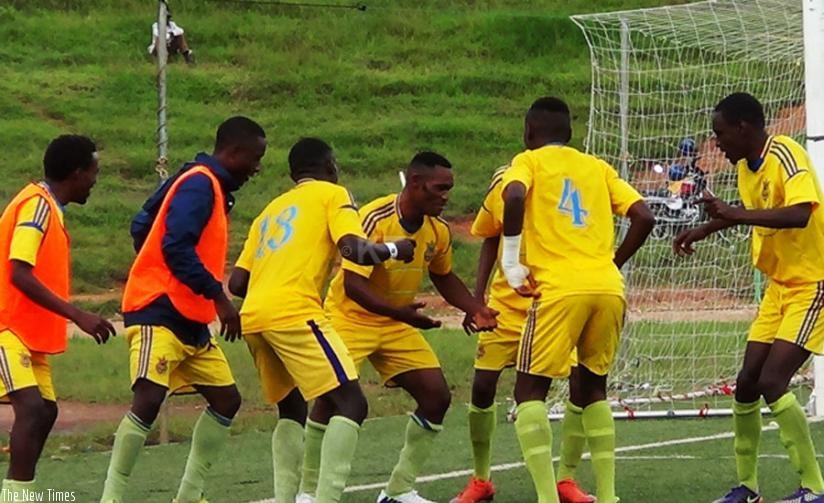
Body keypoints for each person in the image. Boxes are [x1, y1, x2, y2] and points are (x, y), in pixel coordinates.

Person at [296, 151, 499, 503]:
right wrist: (403, 314)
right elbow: (353, 287)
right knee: (332, 400)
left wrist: (474, 308)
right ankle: (309, 493)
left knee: (436, 396)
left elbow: (444, 275)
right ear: (416, 183)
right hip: (349, 318)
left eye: (449, 188)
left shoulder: (438, 231)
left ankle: (398, 490)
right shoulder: (373, 218)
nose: (446, 196)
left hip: (395, 320)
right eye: (440, 188)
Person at [227, 137, 416, 503]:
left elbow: (237, 282)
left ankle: (287, 498)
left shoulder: (270, 209)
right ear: (330, 166)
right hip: (294, 312)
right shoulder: (333, 194)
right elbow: (352, 248)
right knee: (352, 404)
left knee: (293, 407)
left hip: (253, 317)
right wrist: (394, 249)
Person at [100, 116, 267, 503]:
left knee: (227, 399)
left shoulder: (201, 181)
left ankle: (190, 495)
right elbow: (175, 245)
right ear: (234, 151)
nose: (257, 168)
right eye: (255, 158)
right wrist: (219, 297)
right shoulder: (199, 184)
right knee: (148, 399)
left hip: (189, 317)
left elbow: (143, 223)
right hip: (158, 311)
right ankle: (112, 496)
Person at [500, 97, 655, 503]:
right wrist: (613, 263)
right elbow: (644, 216)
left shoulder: (528, 162)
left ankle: (548, 498)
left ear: (528, 131)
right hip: (607, 287)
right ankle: (607, 496)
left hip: (559, 289)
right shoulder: (597, 167)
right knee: (592, 389)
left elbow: (513, 197)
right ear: (570, 134)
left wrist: (511, 263)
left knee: (529, 392)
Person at [674, 92, 824, 503]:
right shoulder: (745, 166)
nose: (716, 142)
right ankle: (748, 487)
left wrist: (734, 214)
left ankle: (815, 488)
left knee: (773, 380)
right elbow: (751, 208)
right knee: (746, 384)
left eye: (720, 133)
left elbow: (799, 214)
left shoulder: (786, 154)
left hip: (814, 284)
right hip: (779, 288)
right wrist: (707, 228)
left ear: (744, 128)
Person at [450, 164, 595, 503]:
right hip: (505, 308)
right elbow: (490, 238)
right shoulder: (506, 179)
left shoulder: (564, 182)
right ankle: (481, 479)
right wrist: (476, 300)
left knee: (578, 384)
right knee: (483, 387)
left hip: (552, 306)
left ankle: (566, 480)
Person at [0, 135, 116, 501]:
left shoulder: (48, 207)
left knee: (45, 411)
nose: (96, 180)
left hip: (27, 333)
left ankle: (18, 491)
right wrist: (77, 314)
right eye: (94, 172)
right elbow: (19, 272)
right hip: (6, 326)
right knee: (32, 410)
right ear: (77, 172)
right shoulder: (36, 205)